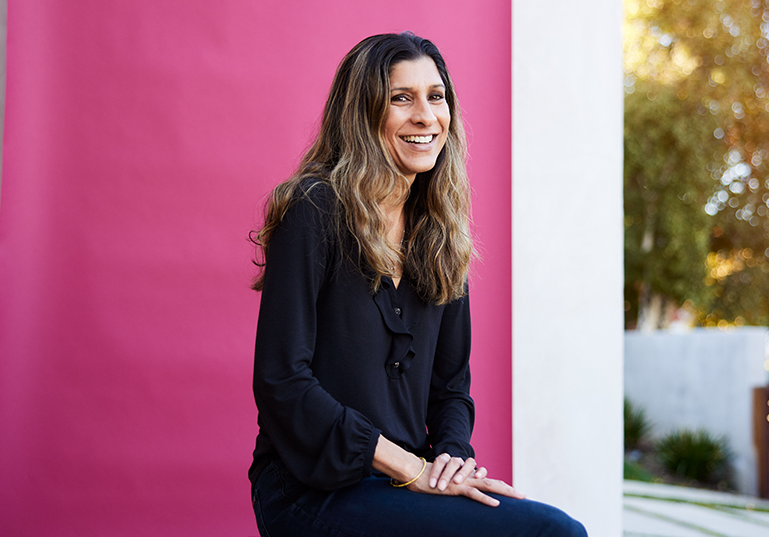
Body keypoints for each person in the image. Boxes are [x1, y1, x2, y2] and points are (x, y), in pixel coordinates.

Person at [249, 32, 586, 537]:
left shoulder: (440, 233)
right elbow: (281, 381)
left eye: (436, 96)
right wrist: (412, 469)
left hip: (403, 486)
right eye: (400, 98)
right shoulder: (313, 210)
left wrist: (450, 458)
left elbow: (451, 387)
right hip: (309, 490)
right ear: (362, 114)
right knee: (551, 534)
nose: (426, 116)